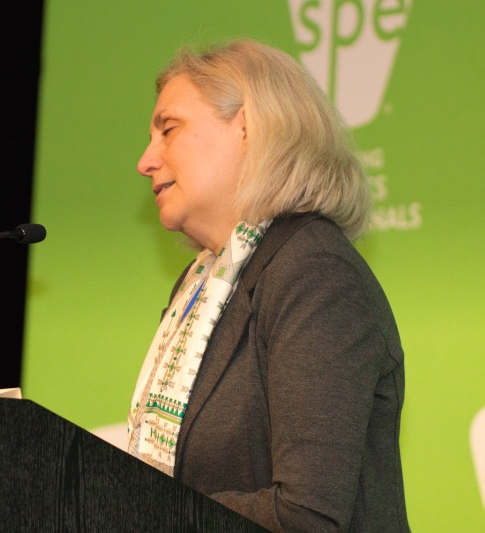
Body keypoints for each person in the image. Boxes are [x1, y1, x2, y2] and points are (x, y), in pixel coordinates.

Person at [126, 38, 409, 532]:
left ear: (247, 127)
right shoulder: (201, 288)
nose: (145, 161)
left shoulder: (315, 274)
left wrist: (144, 514)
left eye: (168, 130)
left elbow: (308, 515)